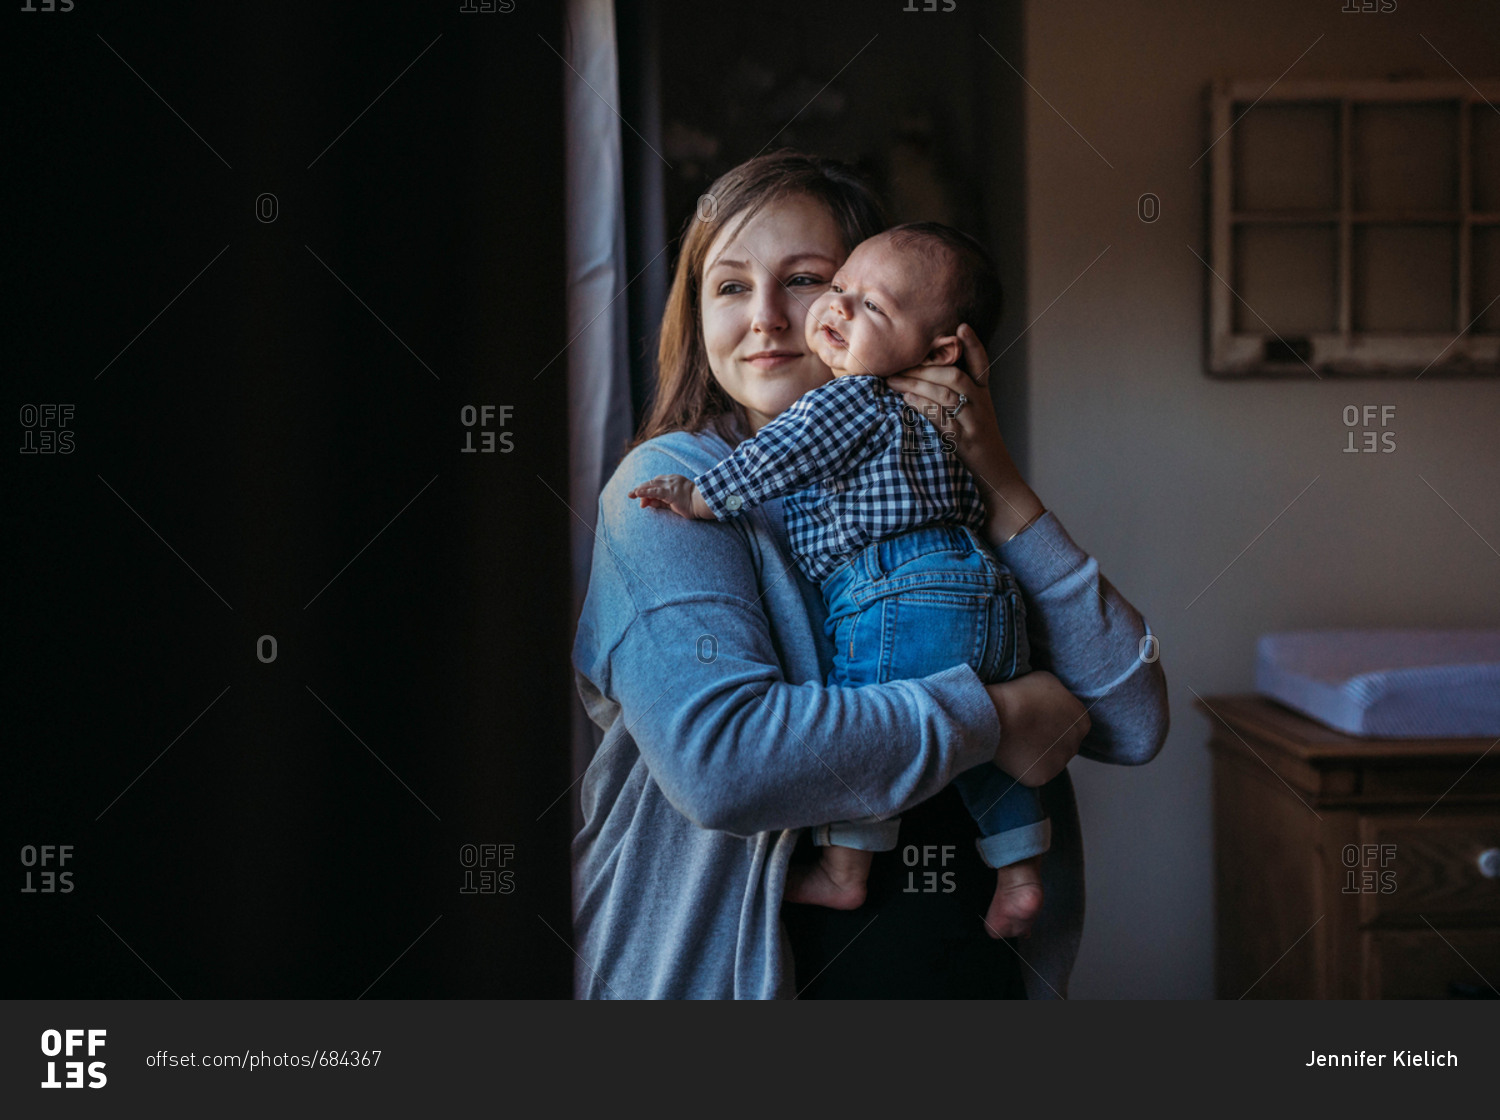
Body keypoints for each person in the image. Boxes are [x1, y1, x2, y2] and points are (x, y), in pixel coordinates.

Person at [570, 150, 1168, 999]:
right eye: (731, 286)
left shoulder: (938, 488)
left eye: (808, 279)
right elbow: (723, 762)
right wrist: (996, 717)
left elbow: (1133, 720)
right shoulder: (668, 491)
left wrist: (994, 477)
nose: (769, 318)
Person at [624, 221, 1053, 939]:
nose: (834, 311)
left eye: (812, 283)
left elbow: (772, 461)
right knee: (986, 757)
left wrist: (700, 498)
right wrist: (1012, 715)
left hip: (892, 592)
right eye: (842, 291)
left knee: (870, 712)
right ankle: (1019, 874)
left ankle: (845, 872)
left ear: (941, 349)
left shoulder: (845, 399)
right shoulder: (945, 424)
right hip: (987, 592)